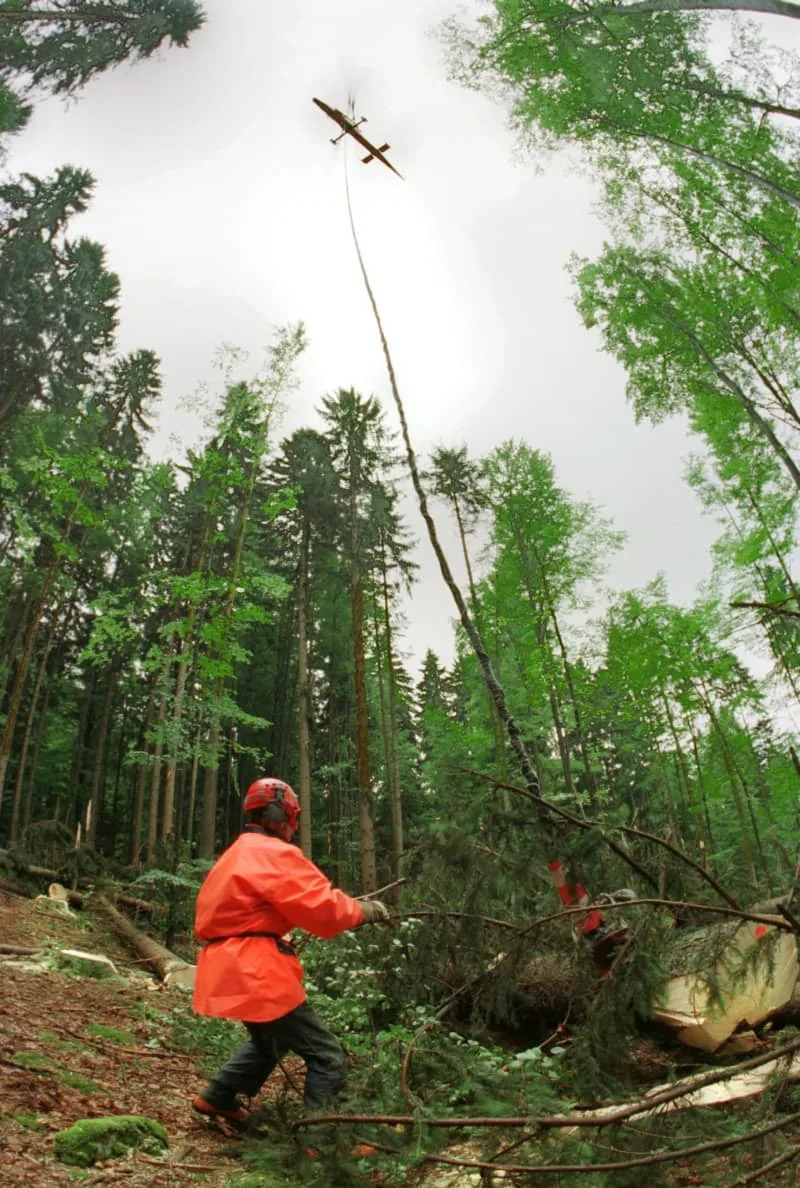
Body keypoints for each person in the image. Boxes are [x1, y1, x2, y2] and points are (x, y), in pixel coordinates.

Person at [191, 776, 390, 1124]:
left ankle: (219, 1096)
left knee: (271, 1041)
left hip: (226, 965)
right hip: (255, 968)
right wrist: (364, 912)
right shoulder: (275, 854)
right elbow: (323, 910)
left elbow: (283, 903)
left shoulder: (235, 854)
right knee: (326, 1054)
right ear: (283, 817)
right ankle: (323, 1138)